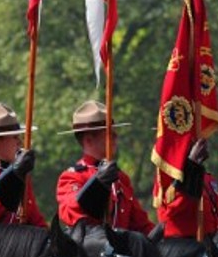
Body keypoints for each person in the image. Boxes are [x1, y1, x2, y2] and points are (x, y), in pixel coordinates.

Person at [56, 100, 154, 234]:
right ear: (88, 139)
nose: (116, 136)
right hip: (90, 252)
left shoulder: (121, 178)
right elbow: (70, 213)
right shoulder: (72, 176)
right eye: (108, 133)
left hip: (121, 250)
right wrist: (97, 184)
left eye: (114, 131)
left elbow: (141, 224)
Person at [154, 136, 218, 238]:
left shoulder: (206, 178)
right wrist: (192, 163)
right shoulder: (166, 180)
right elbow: (171, 210)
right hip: (183, 245)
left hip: (212, 242)